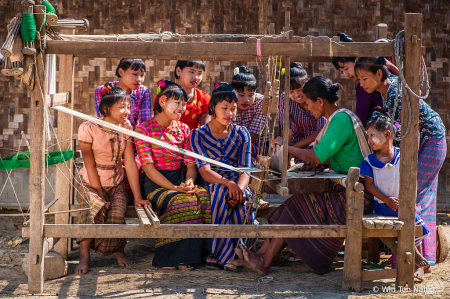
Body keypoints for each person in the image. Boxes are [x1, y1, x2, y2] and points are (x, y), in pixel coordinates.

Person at [229, 76, 374, 275]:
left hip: (358, 195)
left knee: (297, 205)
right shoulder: (338, 118)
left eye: (307, 103)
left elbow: (316, 156)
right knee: (292, 203)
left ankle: (264, 260)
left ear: (320, 102)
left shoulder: (340, 120)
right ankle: (260, 256)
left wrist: (287, 147)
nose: (306, 107)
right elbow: (333, 157)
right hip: (347, 189)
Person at [354, 57, 447, 270]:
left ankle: (410, 263)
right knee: (415, 198)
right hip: (427, 141)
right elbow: (398, 75)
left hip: (430, 142)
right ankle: (418, 260)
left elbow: (411, 130)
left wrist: (405, 163)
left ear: (379, 74)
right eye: (359, 79)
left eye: (364, 78)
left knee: (411, 197)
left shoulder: (395, 93)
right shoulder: (391, 87)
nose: (361, 84)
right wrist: (389, 65)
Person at [135, 80, 211, 270]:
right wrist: (176, 188)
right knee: (182, 200)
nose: (182, 108)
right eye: (177, 103)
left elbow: (190, 163)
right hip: (155, 184)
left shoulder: (184, 130)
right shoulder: (143, 130)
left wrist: (189, 182)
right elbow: (149, 169)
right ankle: (170, 258)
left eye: (184, 104)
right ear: (162, 101)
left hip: (179, 180)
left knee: (202, 196)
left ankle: (200, 254)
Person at [74, 83, 150, 274]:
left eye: (128, 107)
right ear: (106, 109)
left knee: (117, 214)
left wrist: (138, 197)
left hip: (116, 183)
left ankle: (118, 251)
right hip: (90, 183)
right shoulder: (88, 127)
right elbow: (89, 165)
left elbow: (131, 164)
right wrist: (100, 195)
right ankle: (84, 256)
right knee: (92, 208)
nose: (127, 111)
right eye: (121, 107)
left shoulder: (127, 127)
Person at [360, 109, 430, 280]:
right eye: (367, 136)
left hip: (403, 205)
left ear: (387, 134)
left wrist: (409, 201)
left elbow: (411, 181)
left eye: (372, 135)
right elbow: (369, 185)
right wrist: (386, 199)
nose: (369, 140)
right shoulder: (369, 161)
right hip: (383, 206)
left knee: (414, 228)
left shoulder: (403, 156)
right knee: (400, 230)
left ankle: (418, 267)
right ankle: (416, 258)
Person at [190, 83, 254, 271]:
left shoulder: (242, 133)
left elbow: (245, 170)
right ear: (213, 109)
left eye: (233, 109)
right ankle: (222, 255)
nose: (229, 113)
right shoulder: (198, 134)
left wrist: (239, 190)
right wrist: (228, 184)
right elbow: (204, 170)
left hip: (239, 183)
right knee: (219, 193)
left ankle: (242, 252)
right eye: (224, 108)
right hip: (213, 181)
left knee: (245, 203)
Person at [331, 33, 399, 127]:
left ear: (357, 59)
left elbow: (362, 121)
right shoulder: (389, 76)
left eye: (346, 69)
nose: (345, 74)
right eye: (342, 71)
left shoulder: (366, 85)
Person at [274, 62, 327, 169]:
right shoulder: (285, 98)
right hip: (299, 148)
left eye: (300, 89)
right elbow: (287, 128)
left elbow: (321, 131)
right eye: (291, 91)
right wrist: (285, 151)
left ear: (307, 86)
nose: (296, 95)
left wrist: (291, 148)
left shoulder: (317, 97)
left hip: (318, 143)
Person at [94, 59, 151, 129]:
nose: (139, 79)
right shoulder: (102, 90)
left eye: (142, 75)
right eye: (135, 74)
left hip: (134, 136)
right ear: (121, 72)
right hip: (109, 133)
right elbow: (103, 118)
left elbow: (145, 123)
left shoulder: (143, 91)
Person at [231, 66, 268, 164]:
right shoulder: (227, 101)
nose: (246, 100)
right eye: (241, 95)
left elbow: (253, 136)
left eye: (251, 95)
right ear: (232, 91)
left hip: (256, 146)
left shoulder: (261, 102)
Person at [171, 60, 211, 130]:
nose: (196, 77)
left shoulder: (205, 98)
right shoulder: (165, 96)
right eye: (192, 72)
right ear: (178, 71)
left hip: (195, 139)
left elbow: (205, 130)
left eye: (199, 73)